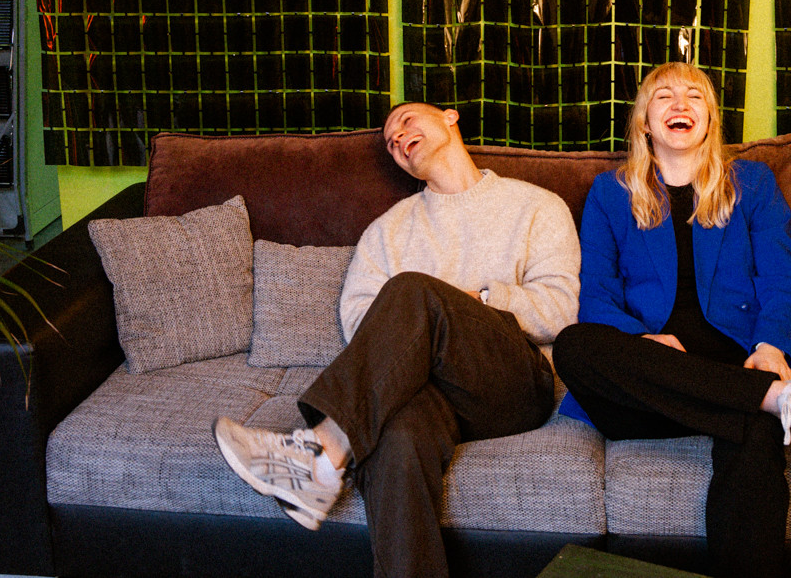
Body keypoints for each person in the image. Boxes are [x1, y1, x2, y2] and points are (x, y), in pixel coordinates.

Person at [213, 102, 579, 578]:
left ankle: (321, 452)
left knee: (412, 290)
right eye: (389, 141)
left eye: (407, 121)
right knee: (395, 436)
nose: (399, 138)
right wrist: (422, 330)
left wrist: (472, 301)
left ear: (450, 117)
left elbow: (560, 310)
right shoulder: (388, 230)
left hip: (512, 384)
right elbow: (360, 322)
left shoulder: (535, 205)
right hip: (424, 394)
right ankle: (329, 468)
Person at [552, 62, 791, 578]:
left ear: (711, 118)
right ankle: (777, 400)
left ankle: (760, 400)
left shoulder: (753, 184)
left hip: (736, 360)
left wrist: (771, 346)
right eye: (664, 96)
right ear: (645, 122)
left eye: (694, 96)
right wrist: (643, 341)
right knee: (573, 344)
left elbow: (781, 280)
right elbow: (597, 299)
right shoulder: (610, 193)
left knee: (756, 436)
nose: (680, 104)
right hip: (646, 382)